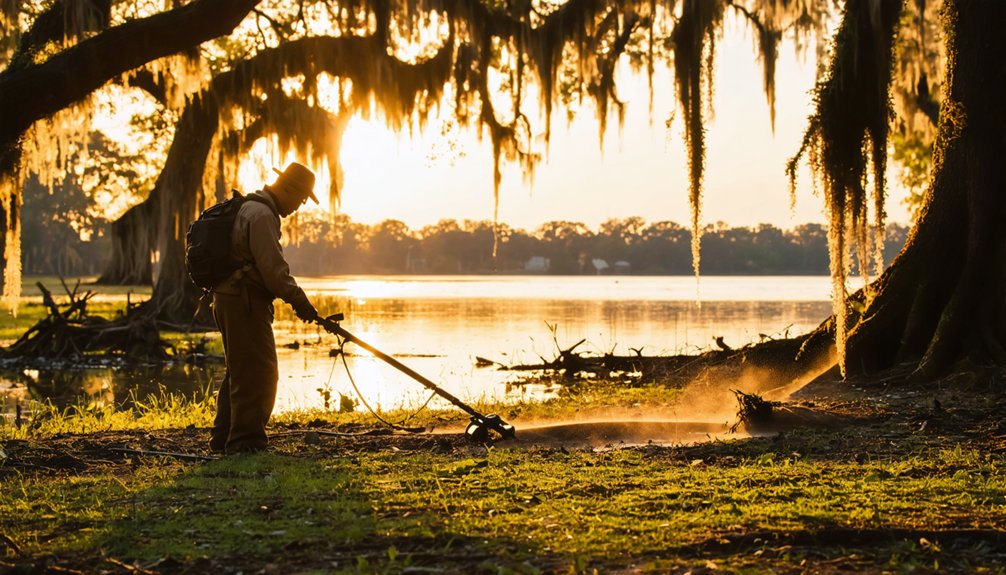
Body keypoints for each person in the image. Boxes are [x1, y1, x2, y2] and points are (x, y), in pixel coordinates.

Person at [209, 161, 320, 454]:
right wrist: (299, 300)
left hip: (231, 297)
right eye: (301, 198)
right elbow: (273, 270)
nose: (300, 205)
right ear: (288, 188)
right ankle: (246, 443)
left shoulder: (253, 208)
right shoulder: (261, 215)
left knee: (240, 371)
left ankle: (224, 439)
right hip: (242, 300)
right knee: (260, 372)